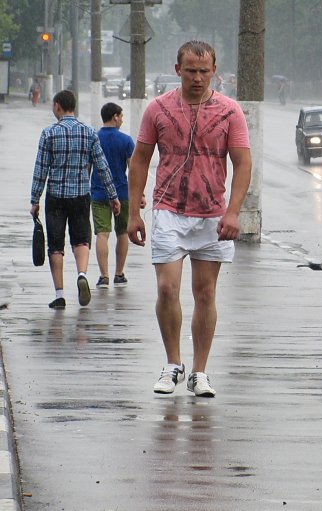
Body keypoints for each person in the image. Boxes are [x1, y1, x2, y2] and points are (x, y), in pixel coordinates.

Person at [128, 40, 251, 398]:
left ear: (215, 71)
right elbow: (139, 160)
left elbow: (242, 163)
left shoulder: (230, 112)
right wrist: (134, 211)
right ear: (177, 69)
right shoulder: (158, 109)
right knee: (167, 288)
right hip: (169, 211)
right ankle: (172, 364)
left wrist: (233, 212)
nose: (197, 78)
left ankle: (200, 371)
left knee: (205, 292)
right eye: (191, 71)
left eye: (204, 71)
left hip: (212, 214)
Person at [30, 90, 121, 309]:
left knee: (56, 246)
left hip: (56, 197)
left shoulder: (48, 134)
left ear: (58, 106)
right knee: (81, 240)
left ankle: (60, 295)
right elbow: (102, 166)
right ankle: (82, 274)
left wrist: (35, 199)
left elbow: (41, 170)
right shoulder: (89, 133)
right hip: (81, 196)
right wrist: (113, 196)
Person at [91, 102, 141, 289]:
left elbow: (88, 168)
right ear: (114, 117)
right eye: (121, 116)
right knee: (122, 233)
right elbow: (133, 169)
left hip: (98, 193)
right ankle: (118, 274)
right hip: (122, 193)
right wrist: (140, 194)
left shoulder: (94, 138)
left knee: (102, 234)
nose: (122, 119)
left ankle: (103, 277)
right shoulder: (126, 140)